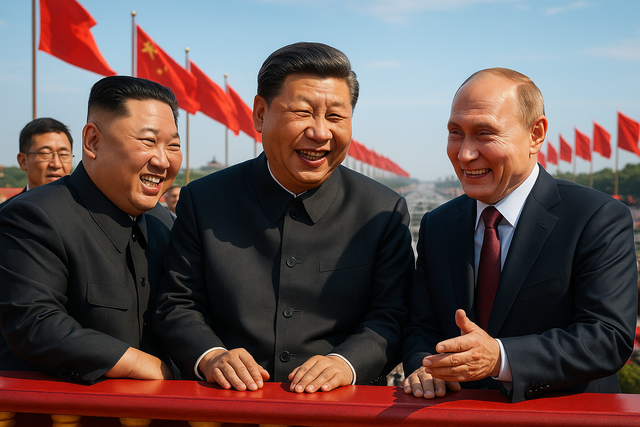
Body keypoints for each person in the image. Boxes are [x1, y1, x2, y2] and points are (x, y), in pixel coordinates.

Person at [154, 42, 414, 394]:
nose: (320, 132)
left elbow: (393, 314)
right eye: (303, 112)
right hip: (225, 406)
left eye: (335, 117)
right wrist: (212, 355)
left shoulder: (382, 210)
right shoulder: (205, 200)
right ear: (260, 113)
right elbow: (176, 303)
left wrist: (346, 363)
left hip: (339, 409)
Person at [402, 68, 638, 403]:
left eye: (484, 134)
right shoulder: (438, 225)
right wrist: (423, 366)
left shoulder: (596, 218)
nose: (465, 153)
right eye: (456, 133)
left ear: (535, 134)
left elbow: (606, 337)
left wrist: (500, 358)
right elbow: (421, 327)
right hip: (456, 414)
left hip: (562, 415)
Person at [0, 75, 182, 383]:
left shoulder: (164, 223)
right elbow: (35, 323)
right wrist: (141, 365)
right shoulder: (33, 216)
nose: (163, 160)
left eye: (173, 145)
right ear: (93, 141)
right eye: (149, 141)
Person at [0, 117, 73, 210]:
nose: (56, 164)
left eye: (63, 154)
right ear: (23, 161)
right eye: (45, 153)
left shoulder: (86, 211)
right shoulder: (7, 213)